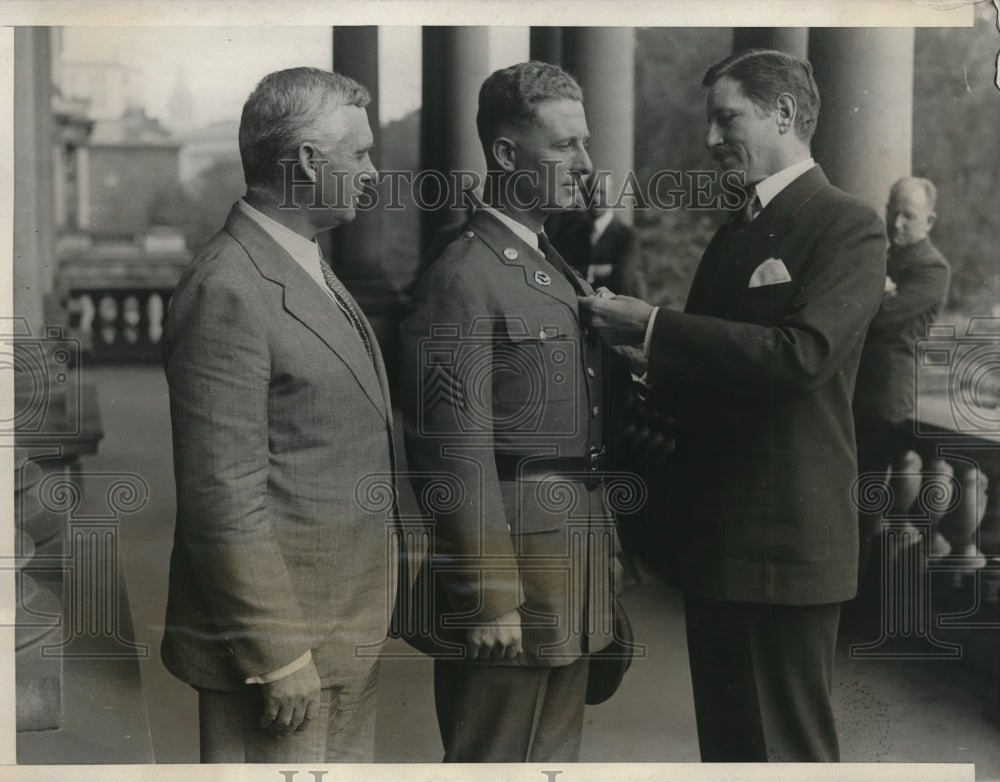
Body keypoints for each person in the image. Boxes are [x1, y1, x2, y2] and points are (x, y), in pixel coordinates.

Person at [579, 48, 887, 762]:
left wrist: (654, 327)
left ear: (784, 114)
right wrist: (646, 362)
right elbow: (711, 370)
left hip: (787, 548)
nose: (711, 138)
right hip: (717, 543)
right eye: (710, 121)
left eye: (727, 118)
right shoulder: (733, 232)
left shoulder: (847, 225)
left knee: (786, 755)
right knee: (731, 755)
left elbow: (800, 355)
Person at [161, 67, 398, 763]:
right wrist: (279, 655)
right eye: (358, 154)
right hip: (287, 654)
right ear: (305, 163)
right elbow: (220, 497)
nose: (373, 172)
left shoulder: (300, 264)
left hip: (341, 628)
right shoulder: (229, 288)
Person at [398, 61, 620, 762]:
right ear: (504, 155)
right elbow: (452, 449)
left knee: (553, 757)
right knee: (493, 757)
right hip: (513, 572)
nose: (584, 164)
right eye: (564, 147)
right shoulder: (463, 275)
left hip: (568, 557)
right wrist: (490, 591)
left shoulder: (546, 260)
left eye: (584, 144)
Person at [853, 176, 951, 588]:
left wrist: (865, 296)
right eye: (893, 212)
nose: (896, 223)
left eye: (908, 216)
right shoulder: (883, 258)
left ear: (928, 220)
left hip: (883, 401)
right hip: (852, 392)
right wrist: (878, 291)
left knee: (863, 507)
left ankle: (851, 608)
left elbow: (882, 321)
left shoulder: (932, 268)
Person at [549, 174, 647, 298]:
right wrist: (595, 271)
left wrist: (584, 271)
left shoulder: (627, 236)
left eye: (601, 193)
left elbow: (623, 279)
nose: (595, 199)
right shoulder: (572, 231)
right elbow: (562, 272)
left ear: (612, 196)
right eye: (590, 193)